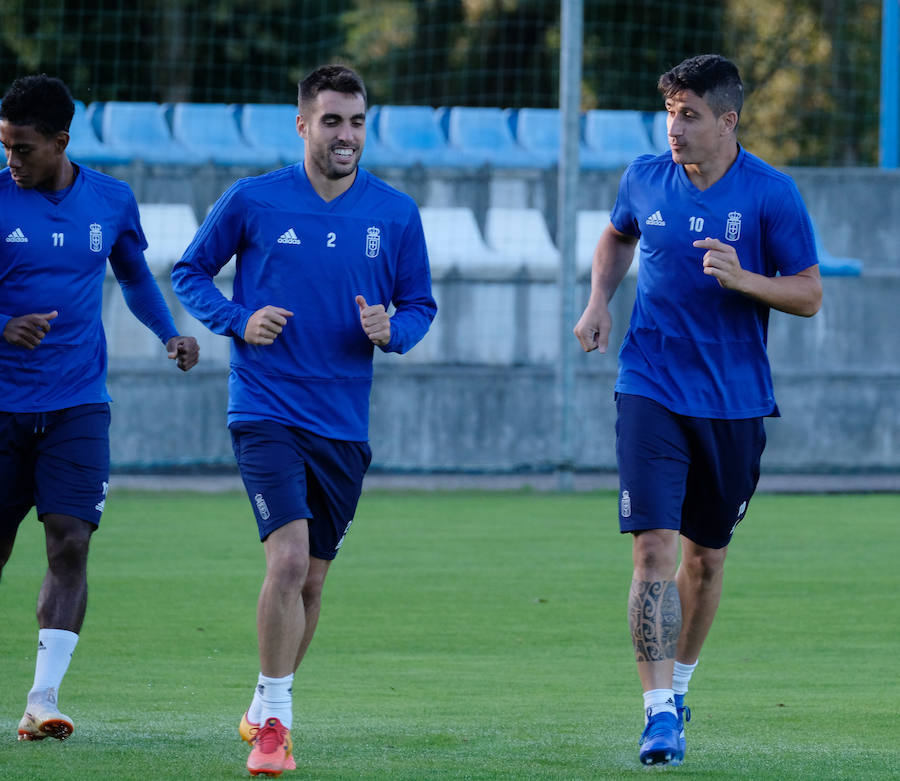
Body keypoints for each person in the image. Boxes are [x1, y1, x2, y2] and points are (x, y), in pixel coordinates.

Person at [171, 64, 436, 777]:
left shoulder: (395, 213)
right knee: (286, 560)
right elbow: (190, 269)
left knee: (313, 580)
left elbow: (421, 307)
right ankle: (277, 729)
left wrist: (392, 328)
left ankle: (266, 697)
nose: (346, 135)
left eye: (356, 121)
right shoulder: (255, 200)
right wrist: (236, 319)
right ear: (302, 125)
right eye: (332, 121)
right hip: (266, 408)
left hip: (343, 423)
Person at [573, 54, 822, 767]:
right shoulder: (644, 177)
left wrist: (745, 278)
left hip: (735, 402)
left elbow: (809, 293)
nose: (674, 129)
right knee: (652, 546)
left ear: (727, 120)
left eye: (689, 115)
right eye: (669, 114)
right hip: (649, 384)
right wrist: (598, 301)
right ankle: (656, 714)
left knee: (705, 560)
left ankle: (679, 689)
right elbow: (618, 233)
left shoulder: (772, 195)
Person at [0, 74, 200, 742]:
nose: (12, 160)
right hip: (2, 406)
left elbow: (136, 274)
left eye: (23, 149)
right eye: (4, 146)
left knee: (71, 542)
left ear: (60, 142)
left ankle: (42, 698)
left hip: (78, 404)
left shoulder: (110, 200)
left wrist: (168, 330)